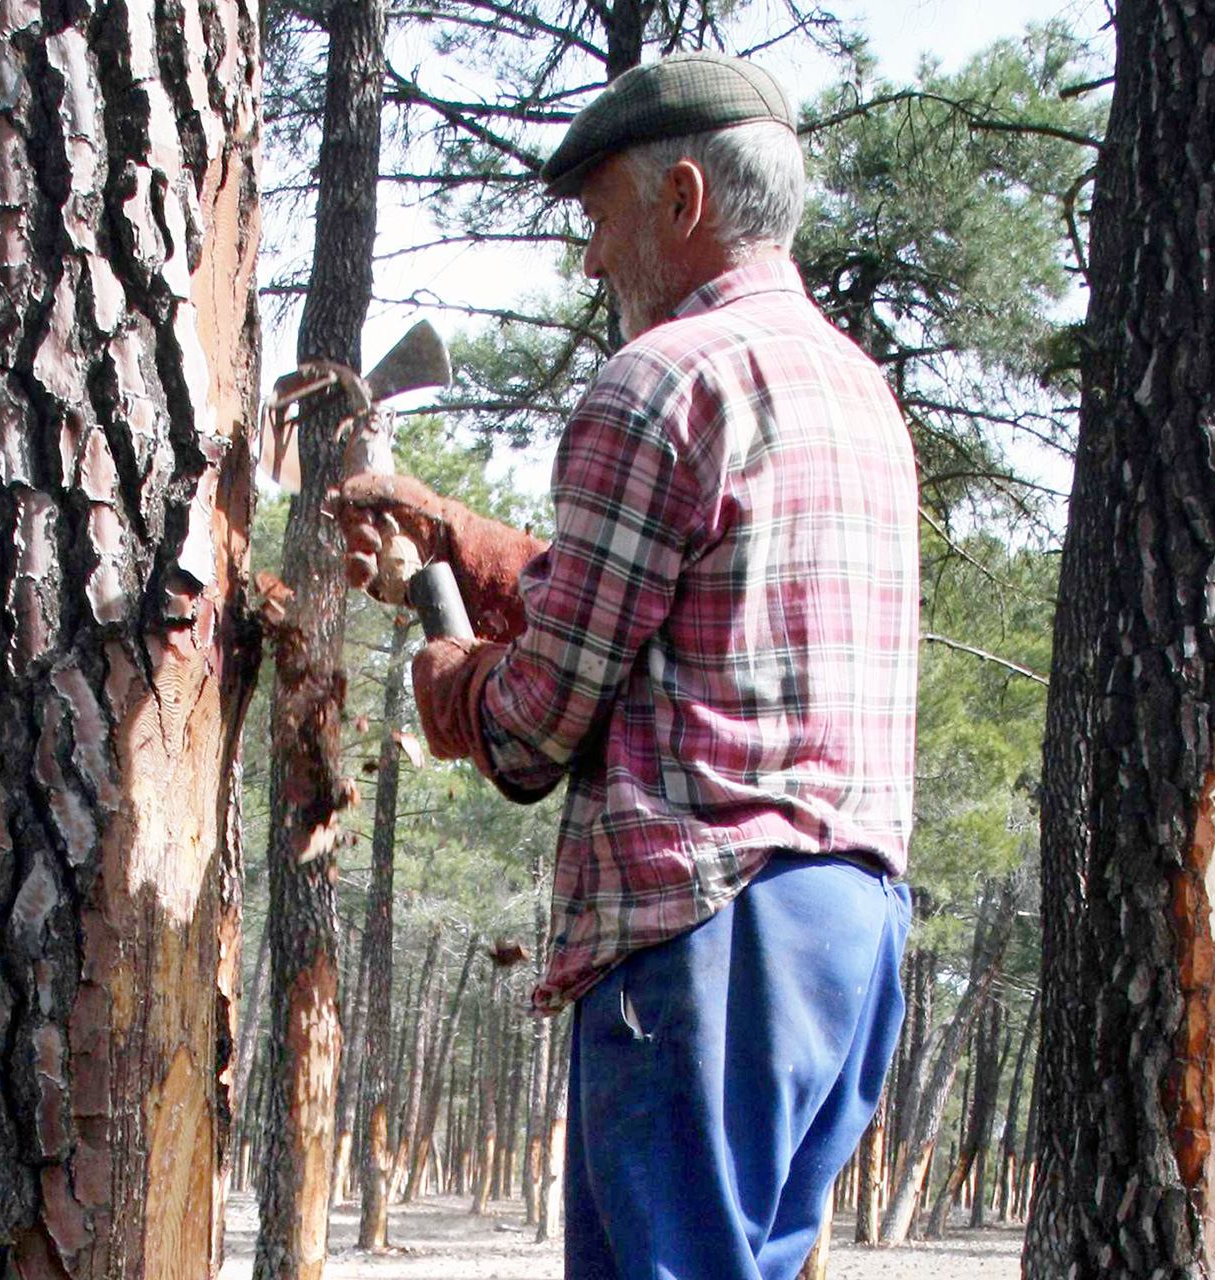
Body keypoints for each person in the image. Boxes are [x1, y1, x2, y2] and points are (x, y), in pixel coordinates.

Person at [337, 51, 918, 1279]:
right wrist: (450, 536)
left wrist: (444, 660)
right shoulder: (856, 391)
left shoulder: (656, 382)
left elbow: (535, 727)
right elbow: (649, 602)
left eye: (599, 220)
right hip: (846, 934)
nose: (592, 259)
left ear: (684, 200)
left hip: (706, 934)